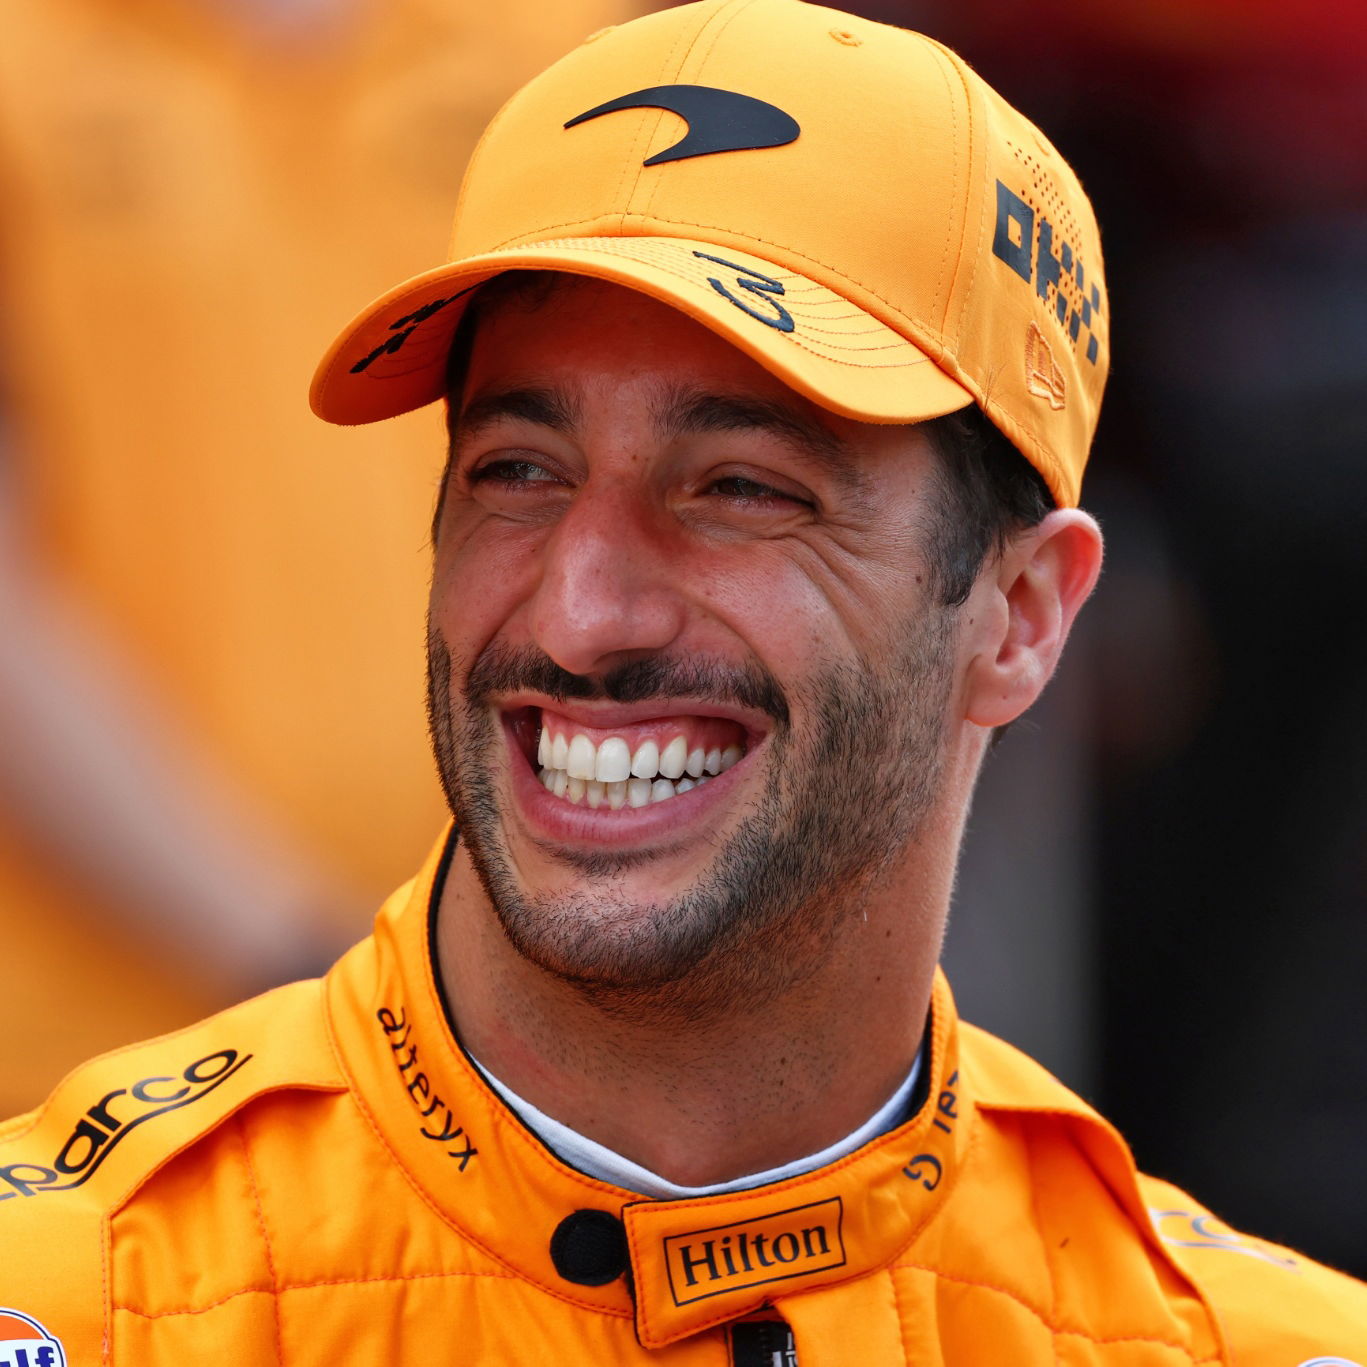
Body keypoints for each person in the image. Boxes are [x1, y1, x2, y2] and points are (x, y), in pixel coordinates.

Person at [3, 1, 1364, 1361]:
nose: (584, 615)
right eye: (517, 472)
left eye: (741, 491)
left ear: (1019, 615)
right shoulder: (75, 1305)